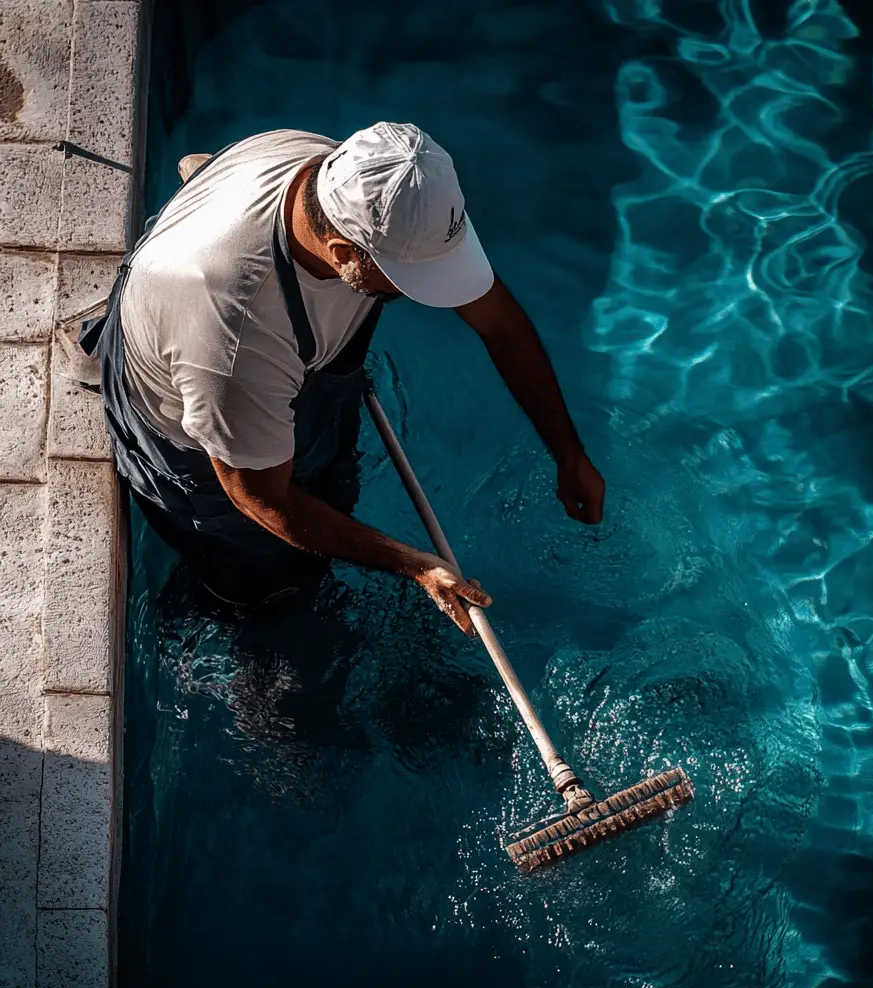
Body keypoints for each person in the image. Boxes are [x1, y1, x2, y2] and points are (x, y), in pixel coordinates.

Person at [80, 122, 605, 631]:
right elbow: (262, 499)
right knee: (268, 589)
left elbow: (498, 322)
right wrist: (416, 565)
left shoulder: (351, 172)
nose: (431, 295)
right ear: (342, 254)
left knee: (328, 482)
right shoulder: (238, 334)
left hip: (256, 362)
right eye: (407, 282)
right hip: (204, 446)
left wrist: (568, 452)